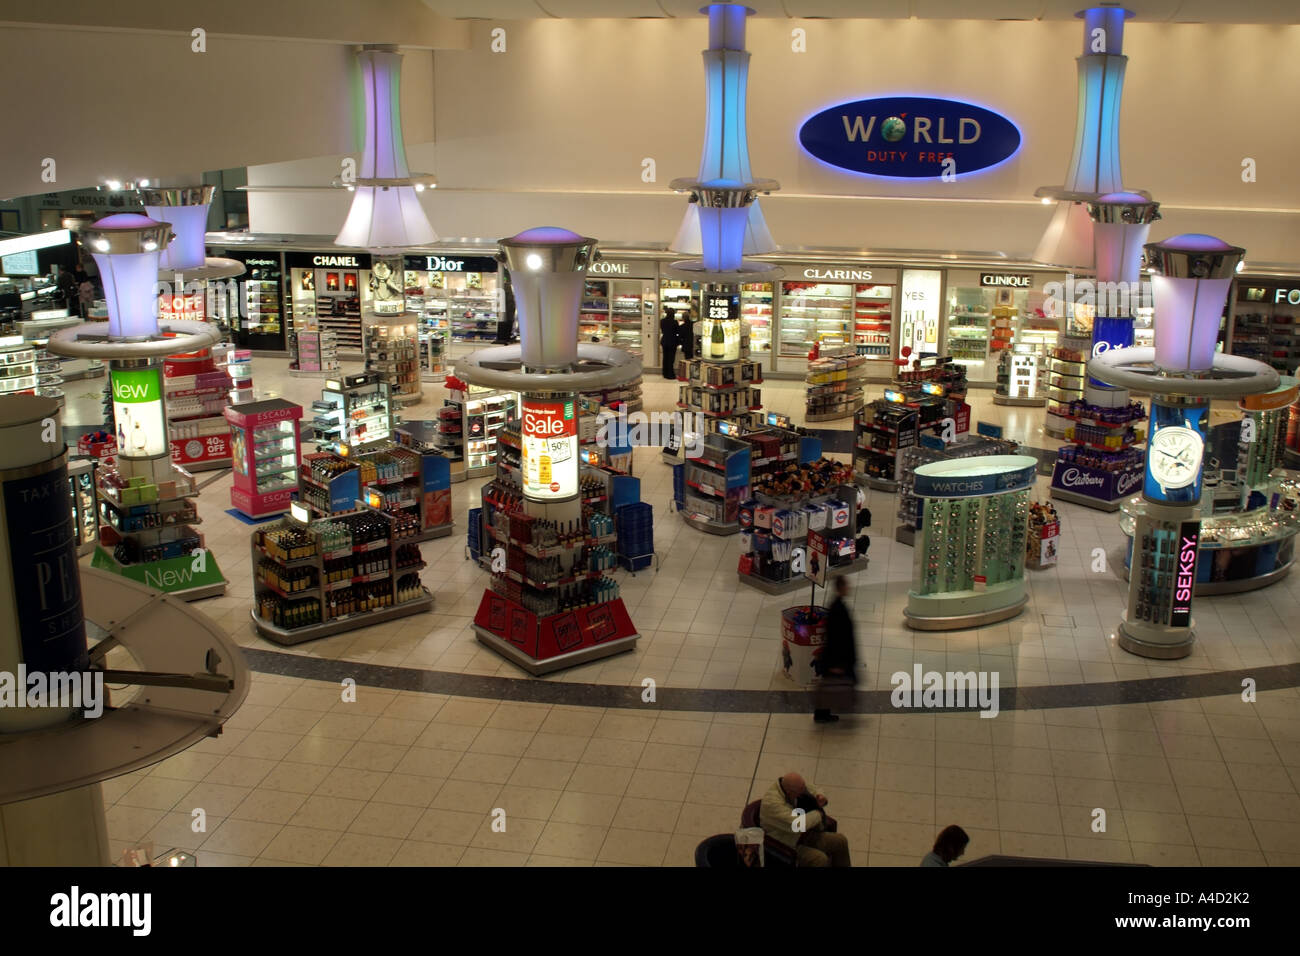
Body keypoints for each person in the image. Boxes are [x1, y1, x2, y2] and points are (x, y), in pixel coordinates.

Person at [759, 772, 851, 867]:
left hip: (801, 835)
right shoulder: (772, 804)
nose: (804, 792)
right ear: (790, 792)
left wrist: (819, 795)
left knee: (840, 841)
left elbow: (811, 788)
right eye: (800, 791)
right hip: (786, 843)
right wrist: (818, 813)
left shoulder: (790, 786)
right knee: (819, 859)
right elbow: (798, 825)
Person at [814, 575, 858, 723]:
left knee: (830, 683)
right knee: (830, 683)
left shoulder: (837, 606)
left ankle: (824, 711)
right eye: (847, 585)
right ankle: (822, 713)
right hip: (836, 657)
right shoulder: (838, 608)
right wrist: (836, 664)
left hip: (836, 657)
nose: (849, 588)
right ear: (841, 588)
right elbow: (836, 638)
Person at [660, 307, 679, 379]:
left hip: (664, 341)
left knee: (665, 358)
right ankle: (670, 374)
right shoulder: (674, 322)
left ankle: (664, 373)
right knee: (671, 358)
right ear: (673, 314)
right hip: (672, 341)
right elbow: (677, 331)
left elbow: (663, 330)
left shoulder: (662, 321)